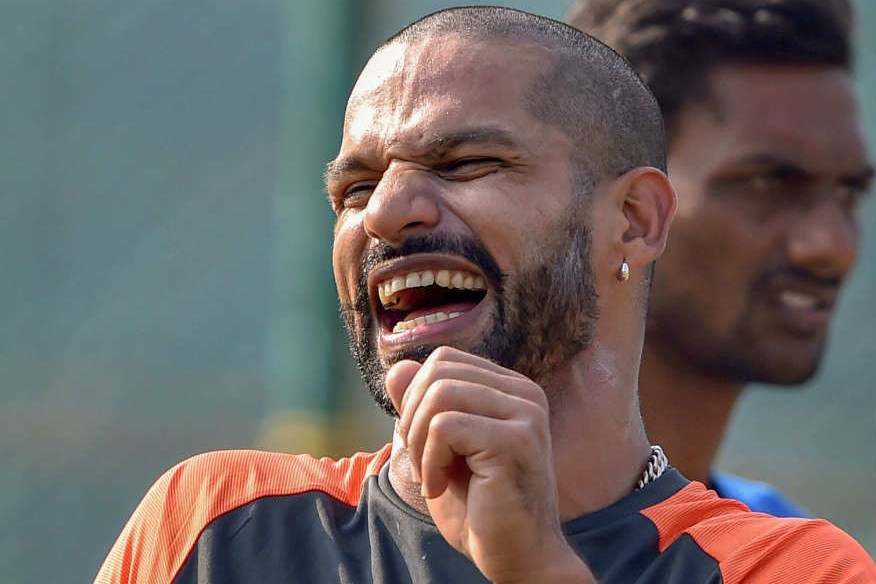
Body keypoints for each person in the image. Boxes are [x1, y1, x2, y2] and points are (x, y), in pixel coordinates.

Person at [94, 7, 875, 583]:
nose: (386, 212)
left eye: (466, 164)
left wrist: (537, 570)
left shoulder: (792, 567)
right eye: (356, 187)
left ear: (635, 221)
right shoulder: (218, 525)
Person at [565, 0, 874, 517]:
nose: (831, 246)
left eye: (848, 192)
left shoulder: (786, 544)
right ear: (628, 211)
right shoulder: (437, 531)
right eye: (767, 183)